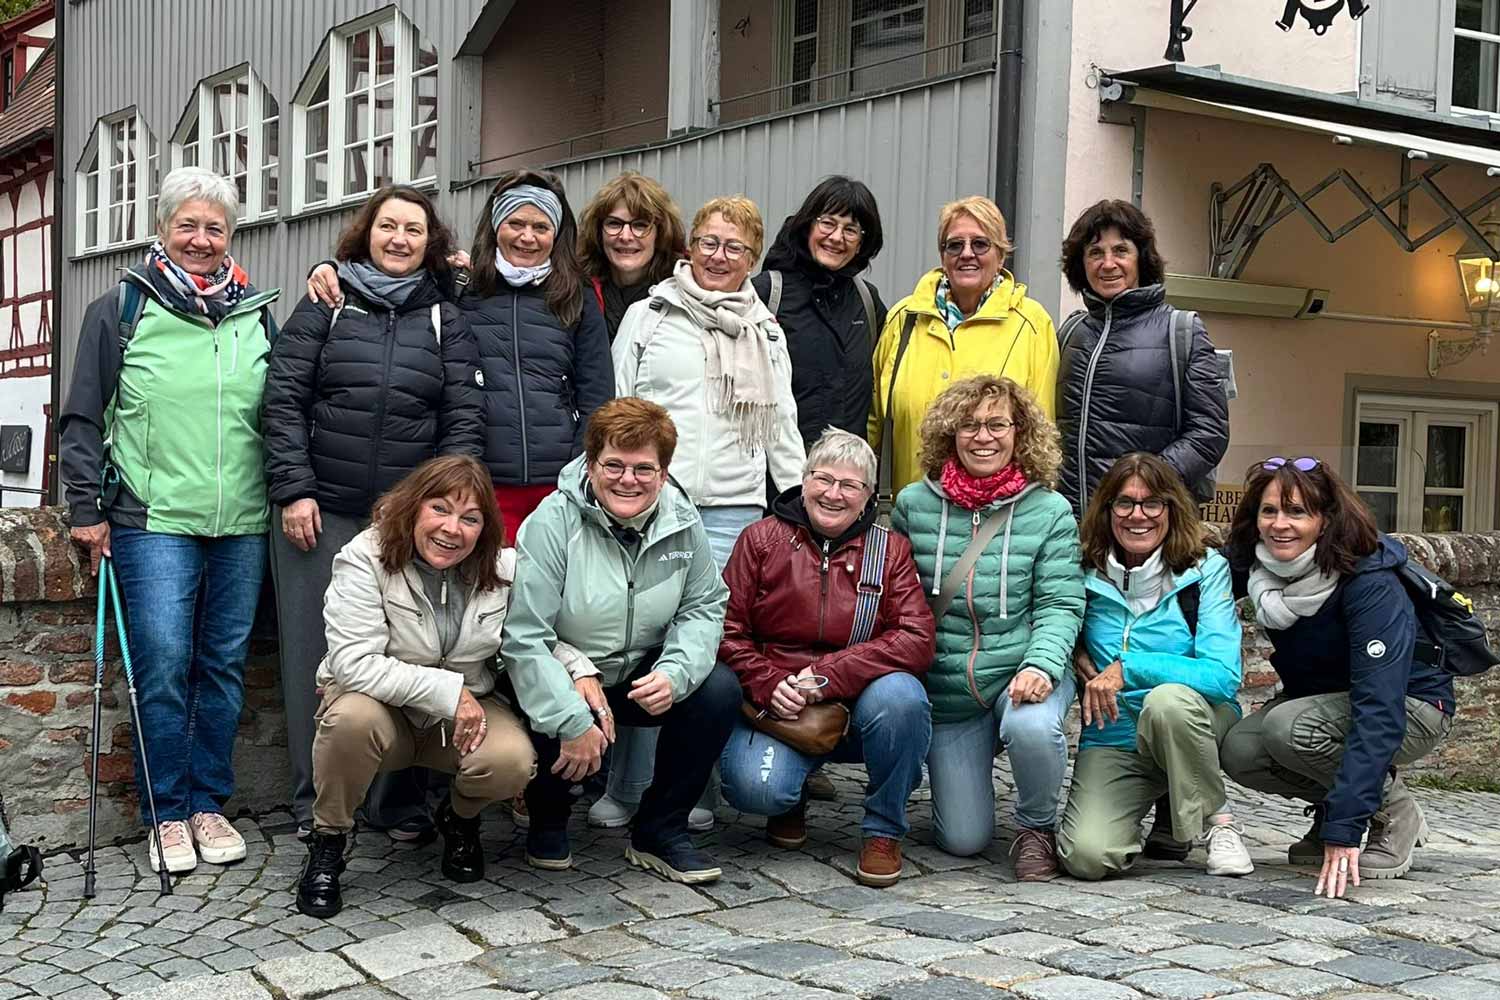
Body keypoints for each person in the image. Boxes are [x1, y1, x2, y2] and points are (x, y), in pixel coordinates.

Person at [59, 166, 281, 874]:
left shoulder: (255, 313)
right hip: (153, 520)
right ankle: (166, 813)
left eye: (215, 227)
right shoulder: (121, 309)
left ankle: (209, 802)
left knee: (221, 667)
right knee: (160, 667)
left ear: (231, 237)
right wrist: (86, 511)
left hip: (242, 519)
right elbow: (82, 418)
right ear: (161, 230)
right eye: (187, 224)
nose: (201, 238)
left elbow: (279, 411)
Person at [262, 185, 483, 842]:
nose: (399, 239)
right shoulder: (325, 304)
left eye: (414, 230)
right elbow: (282, 403)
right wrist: (294, 489)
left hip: (408, 527)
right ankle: (317, 802)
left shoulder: (445, 318)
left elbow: (462, 421)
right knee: (314, 658)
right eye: (388, 226)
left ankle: (396, 804)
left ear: (429, 242)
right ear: (366, 233)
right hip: (321, 511)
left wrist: (441, 512)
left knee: (411, 654)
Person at [603, 195, 805, 830]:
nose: (721, 257)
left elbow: (782, 424)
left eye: (736, 247)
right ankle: (629, 782)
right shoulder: (650, 314)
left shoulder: (764, 329)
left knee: (711, 647)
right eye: (711, 243)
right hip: (652, 503)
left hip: (732, 511)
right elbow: (617, 405)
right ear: (691, 246)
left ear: (752, 258)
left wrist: (795, 497)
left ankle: (695, 787)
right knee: (643, 636)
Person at [499, 398, 740, 884]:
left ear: (664, 472)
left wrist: (675, 672)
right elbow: (524, 636)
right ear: (591, 465)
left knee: (717, 689)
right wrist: (570, 716)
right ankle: (549, 814)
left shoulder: (682, 519)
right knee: (553, 707)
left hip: (638, 671)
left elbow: (704, 605)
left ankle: (660, 829)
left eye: (643, 468)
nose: (628, 479)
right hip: (565, 669)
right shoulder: (552, 522)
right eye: (614, 465)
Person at [294, 457, 539, 918]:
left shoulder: (504, 570)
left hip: (463, 716)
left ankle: (460, 820)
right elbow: (353, 662)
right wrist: (450, 692)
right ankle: (328, 841)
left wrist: (580, 670)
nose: (453, 529)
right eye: (440, 509)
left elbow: (539, 637)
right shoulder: (364, 556)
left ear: (485, 528)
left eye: (470, 518)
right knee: (348, 720)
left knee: (511, 762)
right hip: (383, 710)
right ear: (413, 507)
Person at [1220, 457, 1455, 898]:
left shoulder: (1369, 581)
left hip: (1411, 705)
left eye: (1297, 512)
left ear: (1326, 520)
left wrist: (1345, 830)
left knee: (1288, 729)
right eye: (1269, 511)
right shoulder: (1260, 567)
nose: (1280, 525)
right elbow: (1186, 595)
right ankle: (1341, 804)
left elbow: (1379, 708)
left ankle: (1394, 811)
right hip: (1327, 700)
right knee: (1240, 750)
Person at [718, 429, 935, 886]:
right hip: (779, 703)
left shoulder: (888, 549)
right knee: (757, 790)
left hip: (859, 704)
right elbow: (724, 629)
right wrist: (767, 682)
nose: (833, 494)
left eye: (850, 485)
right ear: (804, 479)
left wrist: (827, 676)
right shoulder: (761, 540)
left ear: (868, 496)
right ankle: (790, 795)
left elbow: (916, 637)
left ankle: (883, 830)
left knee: (904, 698)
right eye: (823, 479)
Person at [891, 375, 1083, 878]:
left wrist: (1042, 664)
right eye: (969, 425)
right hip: (950, 686)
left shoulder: (1050, 510)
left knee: (1033, 725)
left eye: (997, 424)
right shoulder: (914, 504)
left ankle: (1036, 827)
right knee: (964, 840)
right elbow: (894, 598)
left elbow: (1060, 602)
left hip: (1021, 670)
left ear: (1020, 433)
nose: (983, 437)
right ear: (949, 434)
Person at [1056, 453, 1252, 881]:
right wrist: (1073, 654)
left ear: (1171, 508)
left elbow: (1223, 676)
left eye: (1152, 503)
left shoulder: (1205, 572)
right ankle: (1168, 805)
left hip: (1193, 720)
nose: (1137, 515)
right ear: (1107, 510)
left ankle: (1220, 824)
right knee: (1086, 857)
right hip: (1116, 732)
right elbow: (1051, 618)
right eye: (1124, 503)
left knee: (1167, 705)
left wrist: (1130, 668)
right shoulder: (1083, 570)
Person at [869, 196, 1058, 500]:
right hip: (910, 514)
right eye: (954, 245)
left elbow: (1040, 438)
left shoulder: (1031, 324)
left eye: (980, 244)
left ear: (1001, 254)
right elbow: (874, 422)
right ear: (942, 255)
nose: (966, 254)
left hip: (995, 520)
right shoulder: (904, 319)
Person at [1055, 199, 1229, 518]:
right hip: (1071, 531)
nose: (1108, 264)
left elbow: (1209, 432)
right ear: (1081, 265)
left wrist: (1144, 486)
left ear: (1141, 260)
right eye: (1095, 253)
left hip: (1147, 525)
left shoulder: (1181, 330)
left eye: (1121, 251)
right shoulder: (1070, 333)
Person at [752, 176, 887, 447]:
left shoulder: (867, 302)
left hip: (844, 480)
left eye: (851, 230)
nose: (837, 238)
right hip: (775, 480)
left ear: (862, 242)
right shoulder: (767, 293)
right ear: (807, 225)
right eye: (828, 223)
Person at [577, 171, 687, 340]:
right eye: (614, 223)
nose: (626, 236)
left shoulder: (685, 293)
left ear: (661, 233)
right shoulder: (575, 291)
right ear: (598, 231)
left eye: (640, 225)